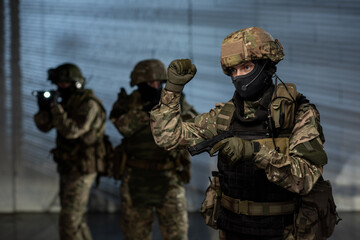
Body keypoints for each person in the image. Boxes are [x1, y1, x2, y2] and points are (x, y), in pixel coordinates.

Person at [150, 27, 331, 239]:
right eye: (233, 71)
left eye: (246, 67)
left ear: (267, 66)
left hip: (282, 230)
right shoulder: (225, 116)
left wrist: (253, 151)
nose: (239, 76)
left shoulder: (297, 113)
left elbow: (306, 178)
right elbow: (167, 138)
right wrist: (172, 90)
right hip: (233, 228)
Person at [109, 59, 197, 240]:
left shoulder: (176, 100)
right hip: (136, 178)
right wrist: (144, 112)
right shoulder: (128, 102)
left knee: (177, 235)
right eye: (151, 83)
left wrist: (169, 110)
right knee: (136, 235)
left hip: (169, 177)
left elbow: (192, 127)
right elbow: (121, 126)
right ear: (140, 83)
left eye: (160, 83)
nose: (156, 86)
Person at [34, 63, 107, 240]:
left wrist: (55, 108)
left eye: (64, 84)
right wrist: (44, 108)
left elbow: (72, 131)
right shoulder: (66, 102)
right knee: (76, 220)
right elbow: (44, 126)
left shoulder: (88, 104)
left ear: (76, 84)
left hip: (83, 167)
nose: (60, 88)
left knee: (69, 221)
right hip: (68, 166)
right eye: (58, 84)